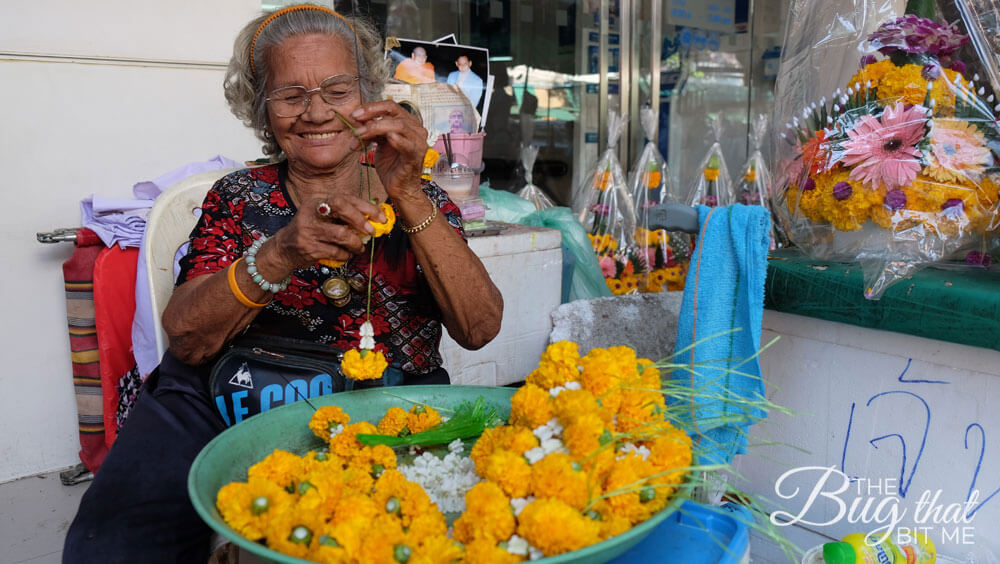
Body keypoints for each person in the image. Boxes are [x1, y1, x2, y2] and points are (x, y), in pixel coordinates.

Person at [62, 5, 503, 562]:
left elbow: (480, 327)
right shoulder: (237, 196)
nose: (315, 112)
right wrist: (280, 252)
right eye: (291, 95)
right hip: (223, 393)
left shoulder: (422, 198)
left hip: (376, 401)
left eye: (338, 90)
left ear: (369, 96)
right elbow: (190, 340)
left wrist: (408, 190)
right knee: (115, 544)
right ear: (261, 110)